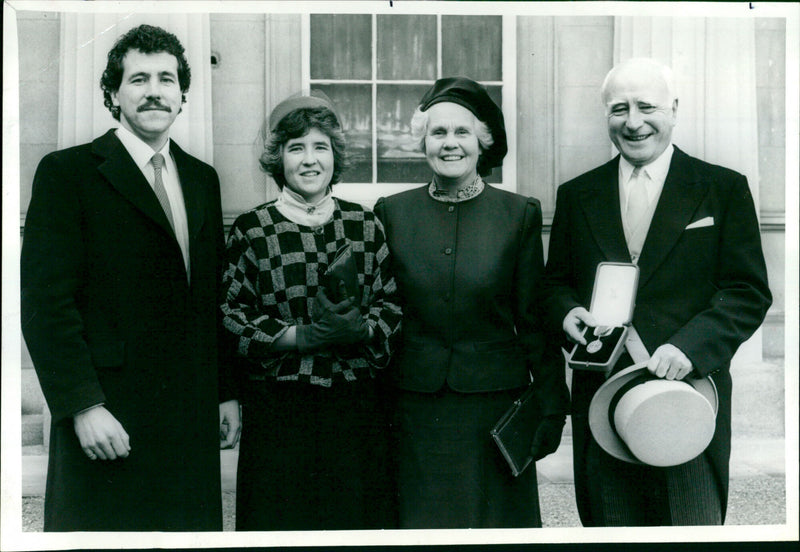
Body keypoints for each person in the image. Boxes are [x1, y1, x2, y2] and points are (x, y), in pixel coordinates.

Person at [542, 58, 772, 526]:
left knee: (691, 527)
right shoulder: (577, 194)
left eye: (646, 106)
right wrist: (567, 313)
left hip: (685, 397)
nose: (633, 121)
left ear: (674, 110)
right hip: (602, 402)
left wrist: (690, 348)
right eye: (618, 108)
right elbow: (554, 285)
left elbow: (747, 291)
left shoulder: (722, 189)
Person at [20, 24, 225, 531]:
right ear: (113, 94)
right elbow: (45, 305)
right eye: (138, 79)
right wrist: (82, 406)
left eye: (166, 79)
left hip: (187, 421)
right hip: (108, 417)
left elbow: (210, 299)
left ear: (183, 96)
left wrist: (225, 393)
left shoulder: (202, 178)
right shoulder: (68, 173)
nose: (154, 90)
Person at [373, 77, 569, 529]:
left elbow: (534, 321)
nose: (449, 144)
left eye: (462, 132)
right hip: (415, 408)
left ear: (483, 142)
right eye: (438, 133)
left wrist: (553, 403)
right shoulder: (391, 213)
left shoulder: (518, 214)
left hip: (494, 409)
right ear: (422, 142)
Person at [218, 92, 402, 531]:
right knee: (282, 524)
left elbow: (392, 305)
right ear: (278, 158)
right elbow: (230, 311)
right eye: (295, 147)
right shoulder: (252, 228)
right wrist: (297, 337)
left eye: (320, 147)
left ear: (335, 157)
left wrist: (360, 329)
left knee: (353, 524)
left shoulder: (364, 223)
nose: (309, 160)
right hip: (280, 409)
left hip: (353, 406)